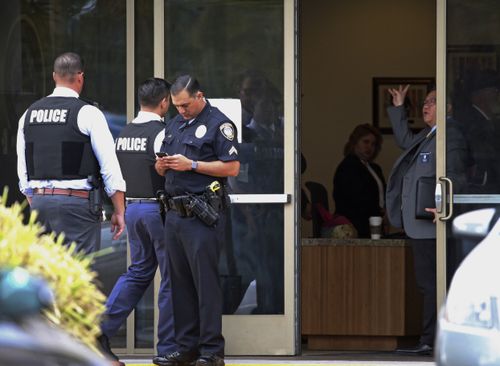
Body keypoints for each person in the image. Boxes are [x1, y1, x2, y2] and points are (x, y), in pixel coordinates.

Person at [153, 75, 240, 366]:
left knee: (206, 285)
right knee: (179, 285)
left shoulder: (219, 123)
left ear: (200, 96)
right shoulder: (175, 123)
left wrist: (191, 164)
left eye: (186, 105)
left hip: (202, 214)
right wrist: (162, 165)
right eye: (176, 106)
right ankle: (186, 347)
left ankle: (211, 351)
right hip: (174, 215)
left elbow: (232, 167)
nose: (181, 110)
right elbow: (164, 167)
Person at [98, 78, 175, 366]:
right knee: (170, 278)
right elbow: (171, 172)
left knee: (138, 273)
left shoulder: (124, 132)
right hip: (158, 211)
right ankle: (167, 348)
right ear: (165, 102)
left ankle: (100, 329)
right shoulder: (161, 133)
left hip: (132, 209)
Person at [16, 52, 125, 254]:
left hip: (40, 204)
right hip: (76, 206)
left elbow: (23, 171)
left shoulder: (28, 114)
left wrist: (39, 201)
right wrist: (119, 210)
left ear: (54, 76)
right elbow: (110, 167)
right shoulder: (88, 113)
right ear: (80, 77)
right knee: (80, 275)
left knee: (46, 275)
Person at [385, 84, 437, 355]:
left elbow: (457, 172)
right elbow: (405, 141)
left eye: (433, 101)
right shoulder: (429, 135)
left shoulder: (449, 137)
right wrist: (398, 107)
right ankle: (429, 338)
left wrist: (445, 204)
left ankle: (430, 340)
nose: (426, 106)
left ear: (448, 108)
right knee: (427, 283)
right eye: (425, 101)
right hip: (418, 225)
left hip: (432, 224)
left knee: (430, 284)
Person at [332, 123, 385, 238]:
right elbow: (354, 199)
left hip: (374, 224)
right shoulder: (348, 167)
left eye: (373, 144)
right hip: (355, 226)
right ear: (355, 142)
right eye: (365, 142)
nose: (369, 147)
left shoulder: (374, 168)